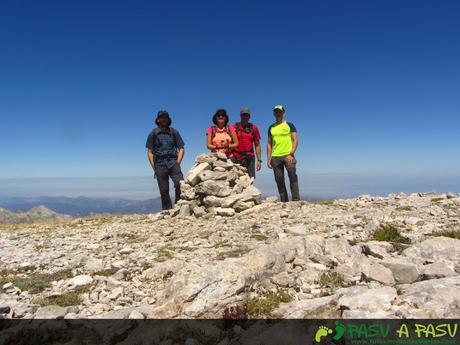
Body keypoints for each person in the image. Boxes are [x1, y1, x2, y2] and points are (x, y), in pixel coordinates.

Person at [146, 110, 185, 210]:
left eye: (165, 117)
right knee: (163, 190)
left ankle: (179, 207)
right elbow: (150, 151)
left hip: (173, 161)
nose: (163, 119)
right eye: (161, 117)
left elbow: (181, 148)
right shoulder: (153, 133)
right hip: (159, 163)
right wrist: (154, 167)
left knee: (180, 183)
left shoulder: (174, 132)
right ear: (158, 120)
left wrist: (177, 162)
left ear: (168, 119)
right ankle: (167, 211)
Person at [267, 105, 300, 202]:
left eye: (280, 112)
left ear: (283, 113)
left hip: (288, 155)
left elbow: (295, 140)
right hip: (275, 157)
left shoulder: (290, 125)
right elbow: (269, 144)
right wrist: (269, 159)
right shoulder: (271, 127)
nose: (278, 113)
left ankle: (296, 200)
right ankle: (284, 201)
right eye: (276, 112)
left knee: (292, 175)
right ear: (273, 113)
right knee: (279, 179)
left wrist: (291, 154)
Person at [229, 107, 262, 178]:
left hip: (249, 157)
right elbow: (228, 142)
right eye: (243, 115)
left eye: (247, 115)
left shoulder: (254, 128)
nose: (245, 117)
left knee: (250, 179)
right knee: (234, 179)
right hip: (236, 157)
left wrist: (259, 160)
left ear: (249, 117)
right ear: (240, 116)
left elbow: (257, 145)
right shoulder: (233, 127)